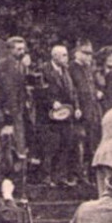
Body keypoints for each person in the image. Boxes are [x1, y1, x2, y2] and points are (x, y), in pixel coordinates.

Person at [38, 43, 82, 187]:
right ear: (54, 56)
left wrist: (77, 107)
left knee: (65, 145)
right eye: (63, 55)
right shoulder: (44, 70)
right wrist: (51, 102)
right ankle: (46, 177)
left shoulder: (66, 71)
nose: (66, 58)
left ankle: (60, 177)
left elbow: (73, 91)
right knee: (50, 146)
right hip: (50, 117)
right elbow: (40, 91)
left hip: (67, 116)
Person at [0, 37, 31, 184]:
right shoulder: (4, 65)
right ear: (10, 49)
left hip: (19, 111)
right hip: (8, 112)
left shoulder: (20, 65)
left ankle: (16, 178)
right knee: (6, 145)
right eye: (18, 49)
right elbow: (6, 91)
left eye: (23, 49)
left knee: (19, 146)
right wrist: (8, 115)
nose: (22, 52)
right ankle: (4, 178)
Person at [71, 42, 104, 184]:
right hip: (80, 113)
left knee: (93, 142)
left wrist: (97, 92)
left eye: (90, 53)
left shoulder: (89, 69)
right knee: (79, 143)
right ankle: (79, 174)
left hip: (92, 111)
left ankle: (91, 175)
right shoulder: (72, 68)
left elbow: (93, 85)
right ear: (77, 53)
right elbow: (73, 90)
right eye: (85, 53)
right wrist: (77, 107)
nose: (88, 56)